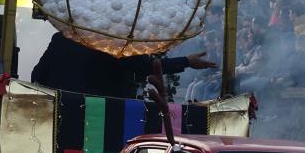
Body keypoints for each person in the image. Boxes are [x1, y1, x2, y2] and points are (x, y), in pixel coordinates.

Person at [31, 31, 216, 98]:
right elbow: (147, 66)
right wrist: (186, 62)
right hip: (99, 119)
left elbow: (37, 75)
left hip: (60, 116)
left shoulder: (60, 39)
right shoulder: (109, 45)